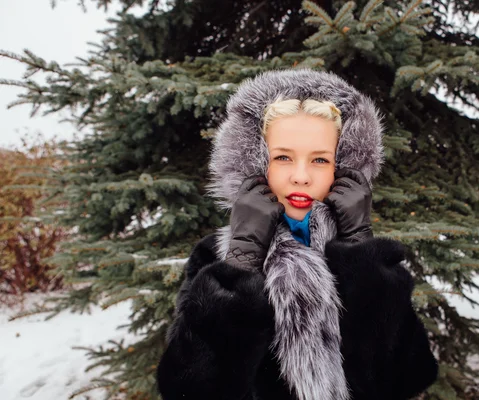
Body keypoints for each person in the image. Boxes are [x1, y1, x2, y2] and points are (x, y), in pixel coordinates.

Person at [156, 69, 438, 400]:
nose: (301, 176)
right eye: (283, 158)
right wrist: (242, 261)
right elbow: (187, 390)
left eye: (319, 159)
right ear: (255, 165)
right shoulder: (216, 256)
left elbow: (409, 378)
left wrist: (360, 249)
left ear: (344, 167)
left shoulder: (364, 260)